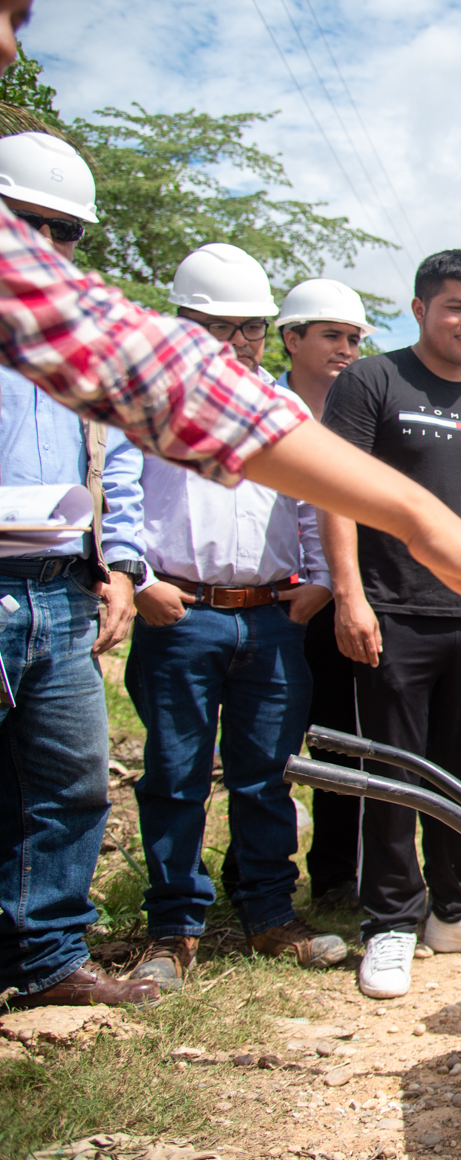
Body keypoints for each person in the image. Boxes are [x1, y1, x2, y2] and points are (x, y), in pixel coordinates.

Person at [0, 0, 461, 653]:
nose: (11, 45)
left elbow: (163, 378)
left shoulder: (18, 274)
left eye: (20, 17)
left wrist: (430, 524)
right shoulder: (377, 387)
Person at [322, 250, 461, 1000]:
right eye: (457, 307)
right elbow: (335, 494)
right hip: (391, 610)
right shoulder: (373, 381)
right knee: (393, 770)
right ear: (419, 310)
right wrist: (350, 596)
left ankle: (455, 909)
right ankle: (389, 921)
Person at [124, 245, 346, 986]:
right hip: (179, 614)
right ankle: (174, 930)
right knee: (176, 772)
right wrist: (139, 577)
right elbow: (119, 496)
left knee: (266, 774)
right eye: (214, 325)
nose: (232, 342)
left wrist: (319, 580)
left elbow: (311, 499)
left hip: (272, 618)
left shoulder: (279, 404)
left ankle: (269, 915)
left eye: (246, 327)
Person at [0, 127, 156, 1008]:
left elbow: (122, 460)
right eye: (30, 222)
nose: (50, 246)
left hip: (61, 589)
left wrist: (123, 565)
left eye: (67, 232)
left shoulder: (87, 336)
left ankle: (46, 959)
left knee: (68, 781)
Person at [274, 277, 369, 910]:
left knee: (341, 742)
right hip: (263, 603)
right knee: (268, 750)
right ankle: (262, 886)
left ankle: (336, 874)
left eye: (353, 339)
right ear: (291, 338)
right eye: (331, 336)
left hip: (335, 602)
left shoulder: (362, 407)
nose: (344, 349)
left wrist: (328, 583)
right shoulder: (256, 405)